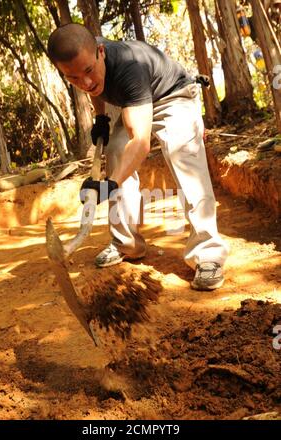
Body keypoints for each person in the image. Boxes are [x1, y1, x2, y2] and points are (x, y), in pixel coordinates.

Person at [47, 23, 229, 291]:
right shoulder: (82, 58)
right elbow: (93, 86)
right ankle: (126, 243)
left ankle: (208, 253)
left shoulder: (127, 68)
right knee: (115, 152)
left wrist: (108, 186)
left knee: (184, 158)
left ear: (100, 52)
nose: (85, 82)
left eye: (88, 71)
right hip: (135, 101)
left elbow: (141, 142)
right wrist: (100, 116)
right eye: (73, 78)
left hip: (172, 94)